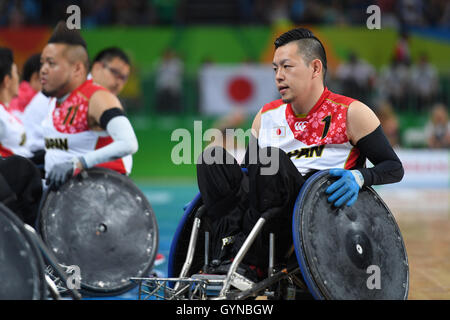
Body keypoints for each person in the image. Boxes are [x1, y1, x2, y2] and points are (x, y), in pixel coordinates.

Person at [196, 28, 404, 276]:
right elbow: (247, 175)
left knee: (269, 159)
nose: (278, 77)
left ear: (315, 68)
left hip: (313, 213)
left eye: (287, 67)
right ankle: (228, 250)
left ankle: (254, 261)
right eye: (275, 69)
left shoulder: (351, 113)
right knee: (211, 157)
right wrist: (217, 192)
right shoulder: (265, 116)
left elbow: (393, 167)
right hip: (260, 205)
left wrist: (361, 177)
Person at [40, 21, 138, 188]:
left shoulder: (97, 97)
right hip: (60, 197)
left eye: (52, 64)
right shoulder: (54, 98)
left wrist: (77, 163)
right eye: (43, 63)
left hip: (96, 197)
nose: (43, 69)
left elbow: (129, 143)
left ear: (77, 69)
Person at [0, 47, 42, 225]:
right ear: (8, 80)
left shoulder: (6, 112)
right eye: (16, 73)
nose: (20, 78)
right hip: (12, 190)